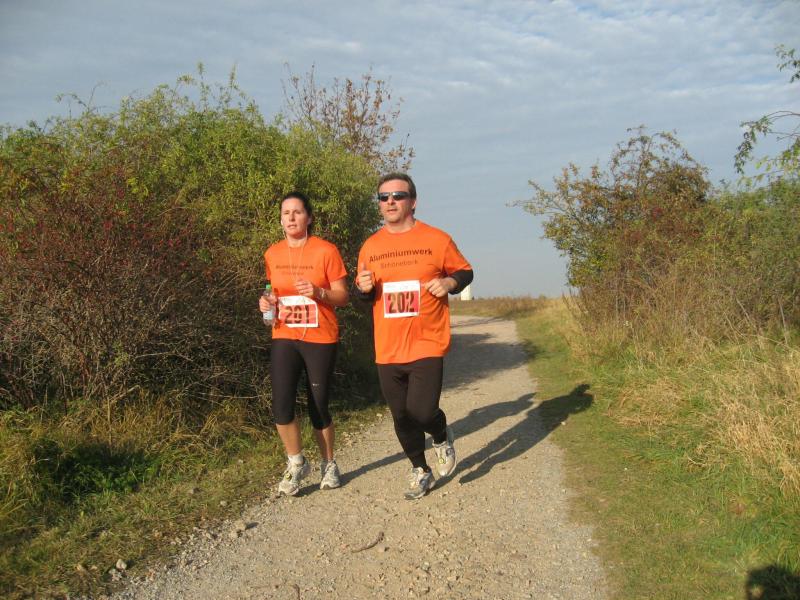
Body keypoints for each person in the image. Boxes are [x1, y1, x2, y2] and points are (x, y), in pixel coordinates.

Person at [355, 173, 473, 500]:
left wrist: (449, 283)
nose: (390, 202)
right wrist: (363, 289)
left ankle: (440, 435)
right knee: (401, 415)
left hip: (427, 340)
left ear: (413, 201)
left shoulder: (437, 239)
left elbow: (465, 271)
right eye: (383, 197)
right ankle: (420, 470)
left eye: (398, 195)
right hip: (388, 346)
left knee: (422, 411)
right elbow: (364, 295)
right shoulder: (371, 246)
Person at [259, 192, 349, 496]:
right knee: (281, 404)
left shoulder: (326, 251)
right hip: (284, 334)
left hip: (320, 336)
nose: (291, 218)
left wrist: (318, 292)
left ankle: (328, 464)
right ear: (280, 219)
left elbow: (343, 296)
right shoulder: (272, 253)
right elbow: (272, 291)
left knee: (318, 404)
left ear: (308, 218)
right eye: (286, 213)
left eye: (297, 212)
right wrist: (266, 302)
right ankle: (296, 462)